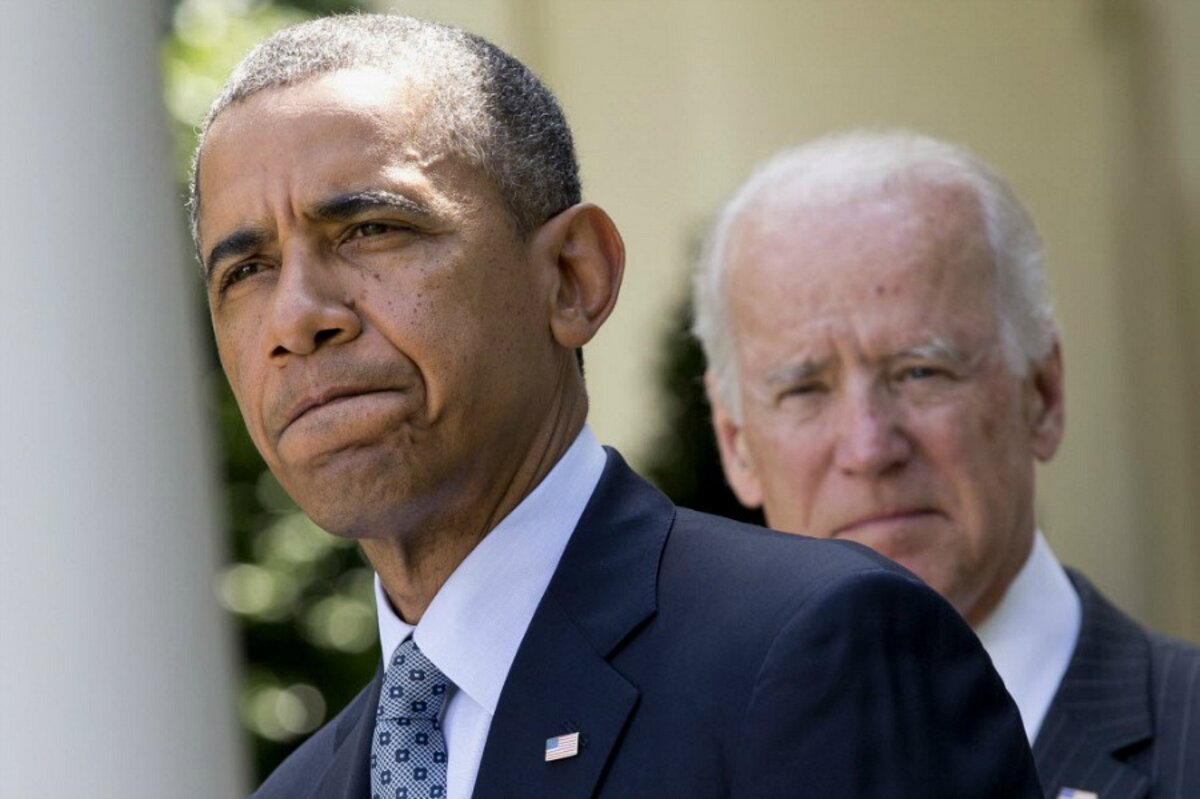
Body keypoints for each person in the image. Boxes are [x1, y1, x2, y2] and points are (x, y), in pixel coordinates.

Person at [192, 16, 1040, 798]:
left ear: (574, 277)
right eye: (246, 271)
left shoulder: (822, 650)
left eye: (371, 229)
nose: (297, 318)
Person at [694, 130, 1200, 799]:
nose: (870, 449)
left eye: (921, 371)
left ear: (1043, 393)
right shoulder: (682, 770)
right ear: (735, 443)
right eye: (805, 390)